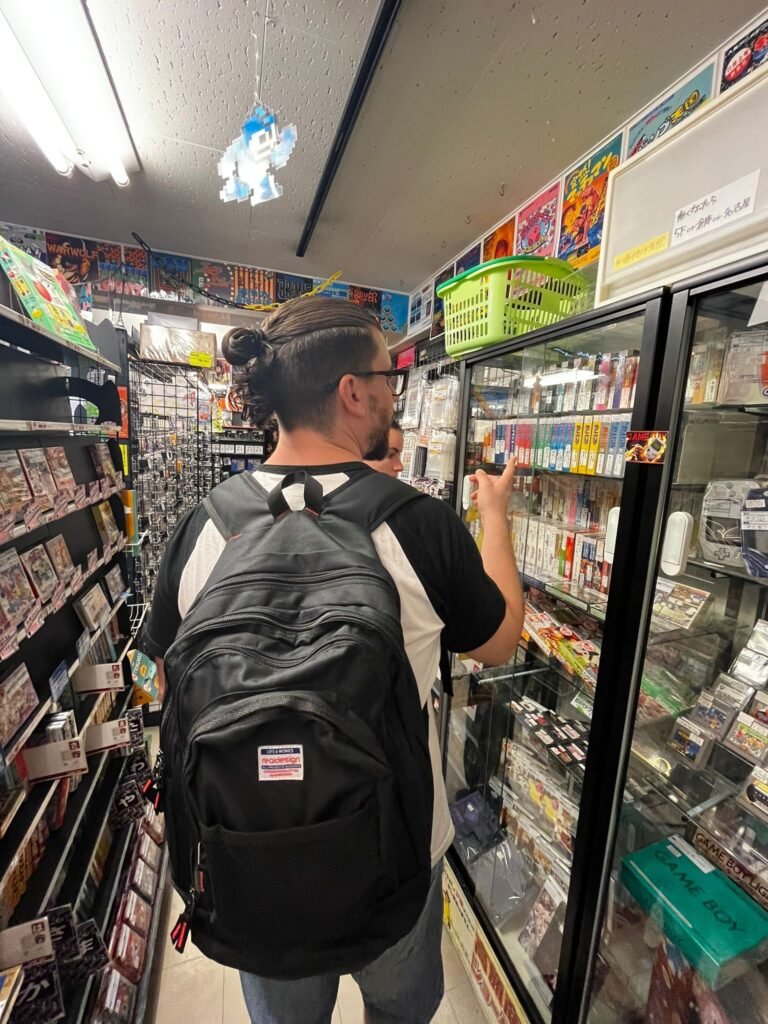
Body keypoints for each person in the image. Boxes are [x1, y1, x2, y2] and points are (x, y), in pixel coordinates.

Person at [141, 296, 523, 1024]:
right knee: (400, 1011)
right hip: (396, 847)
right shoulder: (418, 524)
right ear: (353, 390)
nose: (392, 394)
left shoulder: (203, 526)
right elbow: (500, 640)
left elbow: (168, 682)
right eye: (388, 377)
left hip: (247, 854)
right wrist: (497, 516)